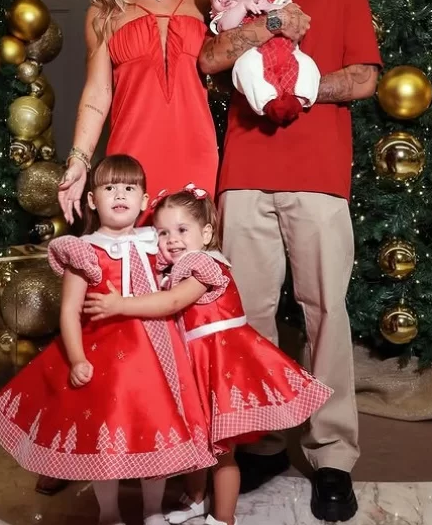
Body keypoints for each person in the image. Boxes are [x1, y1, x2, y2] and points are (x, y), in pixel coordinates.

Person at [198, 0, 382, 523]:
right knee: (245, 317)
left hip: (319, 177)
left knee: (326, 311)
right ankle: (264, 440)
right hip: (244, 175)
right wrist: (267, 26)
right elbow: (209, 59)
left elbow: (365, 78)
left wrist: (298, 90)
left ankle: (331, 456)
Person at [0, 155, 217, 525]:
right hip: (103, 355)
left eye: (128, 188)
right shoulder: (84, 250)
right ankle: (110, 511)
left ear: (143, 200)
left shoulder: (157, 241)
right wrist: (76, 358)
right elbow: (69, 311)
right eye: (108, 188)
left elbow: (188, 267)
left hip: (157, 356)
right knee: (103, 439)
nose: (119, 194)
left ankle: (153, 509)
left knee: (155, 431)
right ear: (92, 200)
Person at [84, 187, 332, 525]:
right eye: (163, 232)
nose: (172, 240)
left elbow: (170, 304)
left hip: (220, 366)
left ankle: (224, 517)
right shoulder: (174, 268)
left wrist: (121, 305)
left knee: (223, 452)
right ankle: (197, 498)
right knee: (197, 442)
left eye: (182, 230)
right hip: (192, 365)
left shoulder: (204, 264)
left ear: (206, 233)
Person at [57, 0, 218, 229]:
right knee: (134, 269)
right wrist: (79, 160)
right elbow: (97, 95)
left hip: (197, 151)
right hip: (132, 160)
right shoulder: (105, 12)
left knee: (192, 259)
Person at [204, 0, 320, 125]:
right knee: (244, 67)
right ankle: (269, 103)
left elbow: (290, 17)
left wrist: (268, 6)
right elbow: (227, 26)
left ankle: (298, 100)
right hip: (256, 56)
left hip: (286, 52)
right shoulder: (224, 17)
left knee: (307, 65)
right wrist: (243, 6)